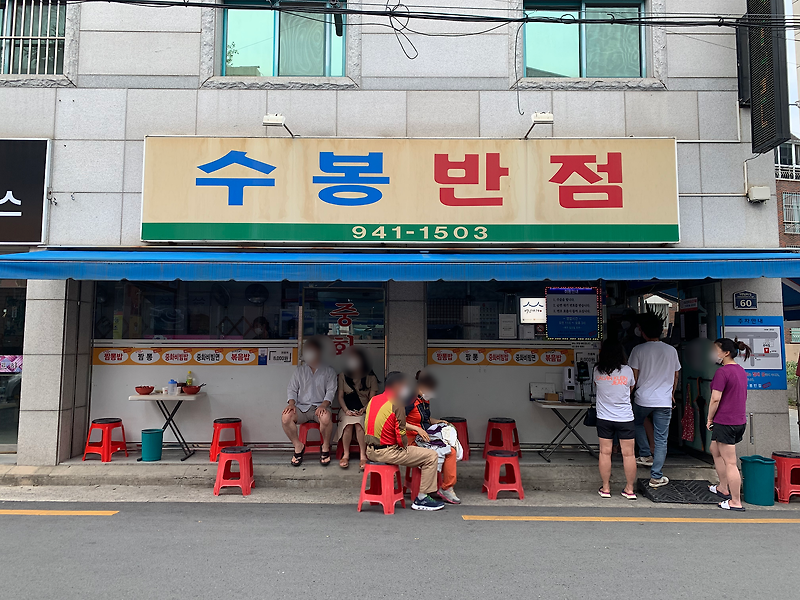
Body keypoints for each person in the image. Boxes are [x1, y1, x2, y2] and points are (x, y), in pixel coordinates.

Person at [364, 371, 445, 511]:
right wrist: (407, 448)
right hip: (388, 451)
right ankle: (422, 498)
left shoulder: (374, 400)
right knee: (431, 456)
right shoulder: (397, 403)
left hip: (370, 450)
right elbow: (401, 437)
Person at [628, 311, 681, 488]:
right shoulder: (671, 350)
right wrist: (672, 394)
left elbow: (633, 378)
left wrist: (628, 395)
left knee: (636, 422)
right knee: (661, 439)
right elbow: (675, 376)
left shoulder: (637, 350)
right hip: (664, 401)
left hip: (642, 398)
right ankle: (656, 476)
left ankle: (644, 453)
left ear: (642, 331)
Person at [707, 338, 751, 511]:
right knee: (714, 449)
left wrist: (709, 418)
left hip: (725, 422)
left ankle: (735, 501)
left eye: (715, 350)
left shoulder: (722, 373)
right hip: (738, 421)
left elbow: (715, 398)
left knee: (730, 462)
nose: (713, 353)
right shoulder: (740, 370)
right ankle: (722, 487)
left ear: (726, 353)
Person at [406, 370, 460, 504]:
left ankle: (447, 486)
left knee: (451, 447)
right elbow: (397, 420)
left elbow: (425, 419)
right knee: (448, 452)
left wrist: (439, 422)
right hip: (411, 440)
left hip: (424, 436)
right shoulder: (409, 399)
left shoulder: (424, 400)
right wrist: (416, 428)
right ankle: (446, 488)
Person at [593, 340, 638, 500]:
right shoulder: (627, 371)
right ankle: (630, 489)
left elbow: (596, 386)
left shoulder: (597, 370)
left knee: (605, 453)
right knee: (629, 454)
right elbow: (631, 388)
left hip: (604, 417)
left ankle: (605, 488)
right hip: (625, 417)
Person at [282, 337, 337, 467]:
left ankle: (325, 447)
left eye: (311, 350)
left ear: (319, 351)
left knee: (325, 418)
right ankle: (298, 446)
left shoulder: (329, 371)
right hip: (301, 407)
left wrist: (324, 405)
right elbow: (292, 389)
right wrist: (291, 403)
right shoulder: (300, 371)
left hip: (320, 406)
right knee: (285, 417)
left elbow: (331, 391)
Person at [336, 347, 379, 470]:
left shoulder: (371, 377)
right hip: (346, 409)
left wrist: (364, 409)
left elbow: (372, 399)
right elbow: (340, 397)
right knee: (348, 424)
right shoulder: (343, 376)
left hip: (364, 409)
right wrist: (346, 410)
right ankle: (346, 454)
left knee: (360, 424)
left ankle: (363, 455)